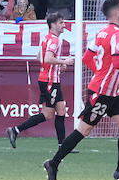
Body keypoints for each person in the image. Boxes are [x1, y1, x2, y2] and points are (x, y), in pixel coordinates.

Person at [44, 0, 119, 180]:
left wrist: (101, 73)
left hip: (113, 92)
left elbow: (86, 58)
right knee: (84, 130)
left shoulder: (101, 33)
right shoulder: (118, 34)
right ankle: (53, 163)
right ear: (116, 12)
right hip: (101, 93)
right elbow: (116, 62)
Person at [7, 12, 73, 146]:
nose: (64, 26)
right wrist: (64, 61)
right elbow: (47, 58)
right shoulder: (54, 40)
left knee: (61, 110)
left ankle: (63, 146)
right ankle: (16, 130)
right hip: (49, 81)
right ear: (53, 25)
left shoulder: (46, 39)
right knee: (48, 114)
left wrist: (58, 67)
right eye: (61, 23)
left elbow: (40, 58)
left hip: (50, 79)